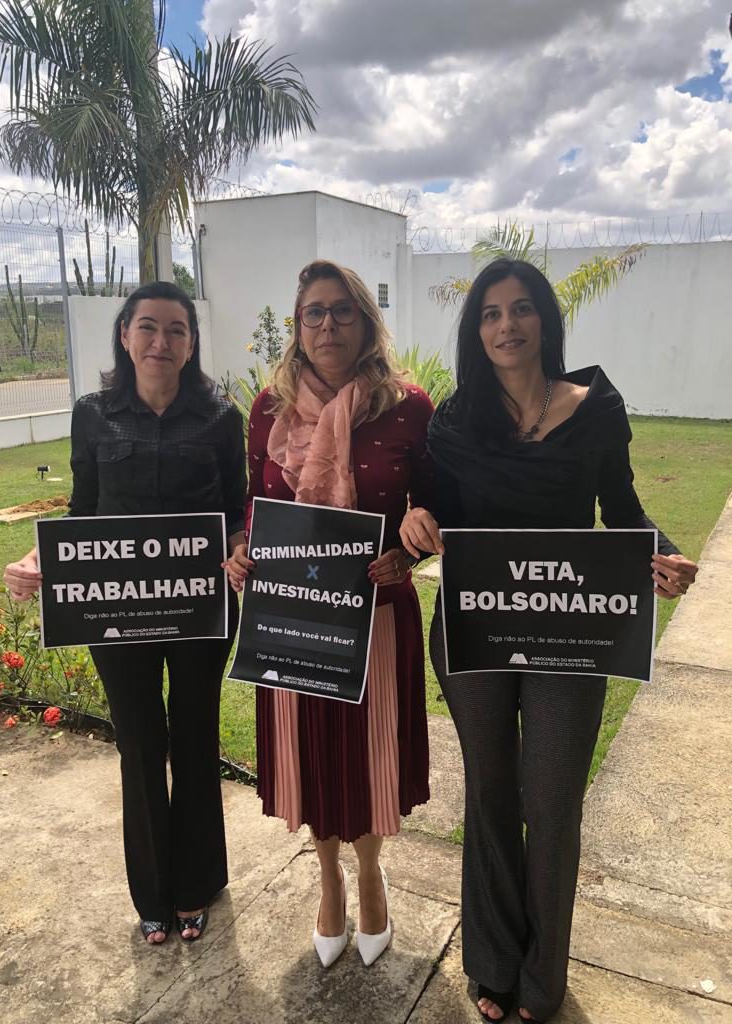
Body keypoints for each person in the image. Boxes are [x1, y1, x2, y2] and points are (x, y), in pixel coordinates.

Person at [399, 258, 698, 1022]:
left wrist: (661, 553)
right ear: (477, 330)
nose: (507, 324)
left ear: (545, 319)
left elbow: (622, 510)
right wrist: (416, 522)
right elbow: (435, 510)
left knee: (554, 799)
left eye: (521, 308)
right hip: (475, 626)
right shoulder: (456, 419)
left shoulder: (596, 407)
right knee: (491, 793)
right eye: (491, 313)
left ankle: (543, 977)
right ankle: (493, 965)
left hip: (571, 631)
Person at [4, 281, 246, 946]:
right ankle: (153, 893)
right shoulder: (93, 413)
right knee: (139, 744)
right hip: (114, 612)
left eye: (176, 329)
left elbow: (235, 511)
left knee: (195, 737)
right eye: (148, 327)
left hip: (200, 610)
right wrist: (36, 558)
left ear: (191, 343)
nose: (161, 341)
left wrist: (240, 547)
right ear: (125, 335)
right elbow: (83, 511)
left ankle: (197, 884)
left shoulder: (221, 417)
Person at [224, 259, 433, 968]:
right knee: (311, 755)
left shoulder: (407, 406)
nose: (327, 324)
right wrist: (244, 549)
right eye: (313, 311)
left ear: (365, 321)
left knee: (369, 760)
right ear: (297, 325)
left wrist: (408, 554)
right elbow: (255, 500)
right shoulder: (269, 408)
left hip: (376, 614)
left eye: (342, 310)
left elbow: (431, 506)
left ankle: (370, 874)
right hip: (293, 617)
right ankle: (328, 880)